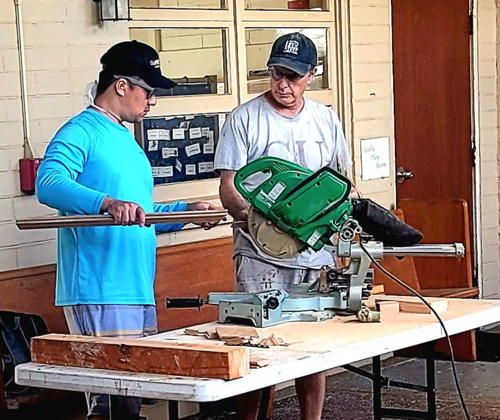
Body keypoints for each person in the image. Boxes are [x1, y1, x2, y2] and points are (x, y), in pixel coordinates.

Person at [36, 40, 218, 420]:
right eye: (148, 91)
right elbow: (48, 183)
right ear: (122, 86)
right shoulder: (81, 130)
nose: (152, 101)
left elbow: (142, 213)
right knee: (110, 401)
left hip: (136, 285)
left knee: (133, 397)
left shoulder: (126, 141)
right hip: (99, 286)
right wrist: (106, 203)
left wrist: (187, 212)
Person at [213, 32, 352, 420]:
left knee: (313, 346)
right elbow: (229, 185)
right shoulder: (245, 118)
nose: (283, 84)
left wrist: (332, 232)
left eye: (293, 76)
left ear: (311, 75)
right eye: (277, 74)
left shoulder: (325, 119)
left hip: (314, 250)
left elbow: (340, 183)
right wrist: (259, 222)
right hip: (260, 254)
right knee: (259, 345)